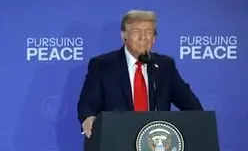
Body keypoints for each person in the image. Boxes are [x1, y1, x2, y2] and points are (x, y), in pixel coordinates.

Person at [77, 10, 202, 138]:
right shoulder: (102, 65)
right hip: (116, 140)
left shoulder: (165, 66)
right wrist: (88, 118)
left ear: (154, 38)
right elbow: (88, 105)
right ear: (124, 35)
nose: (143, 37)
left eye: (148, 32)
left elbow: (193, 107)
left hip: (155, 142)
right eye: (136, 32)